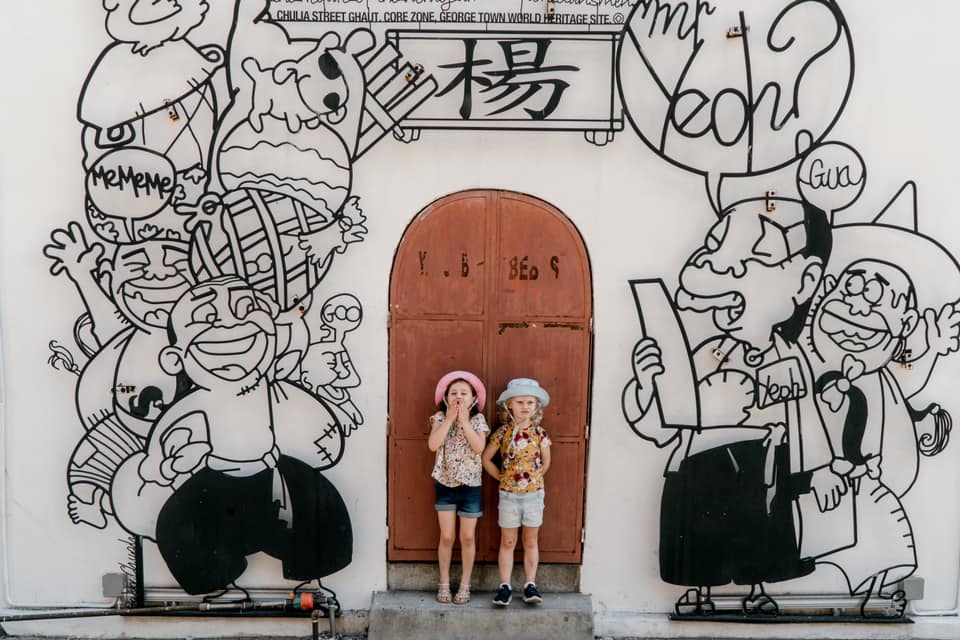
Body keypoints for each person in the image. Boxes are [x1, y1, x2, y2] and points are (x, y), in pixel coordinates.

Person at [482, 378, 552, 607]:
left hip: (533, 496)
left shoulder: (540, 434)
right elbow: (486, 458)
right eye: (520, 402)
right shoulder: (503, 432)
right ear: (509, 405)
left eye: (530, 402)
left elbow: (545, 464)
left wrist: (533, 480)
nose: (525, 406)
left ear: (536, 406)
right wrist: (501, 477)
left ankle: (530, 584)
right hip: (509, 497)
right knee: (508, 540)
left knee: (531, 541)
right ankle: (505, 586)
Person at [427, 371, 490, 605]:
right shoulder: (438, 418)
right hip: (445, 484)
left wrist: (463, 421)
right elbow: (433, 445)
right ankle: (443, 582)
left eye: (464, 393)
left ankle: (465, 584)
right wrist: (450, 420)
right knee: (447, 536)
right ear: (445, 398)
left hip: (470, 486)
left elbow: (478, 447)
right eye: (453, 393)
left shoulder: (478, 420)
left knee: (467, 537)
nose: (458, 397)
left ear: (473, 399)